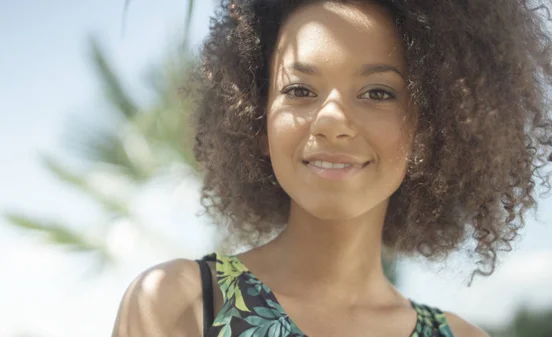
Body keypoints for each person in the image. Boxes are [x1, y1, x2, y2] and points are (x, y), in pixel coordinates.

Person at [112, 0, 552, 336]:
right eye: (300, 89)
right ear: (257, 122)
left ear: (428, 131)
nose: (331, 121)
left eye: (379, 93)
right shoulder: (177, 302)